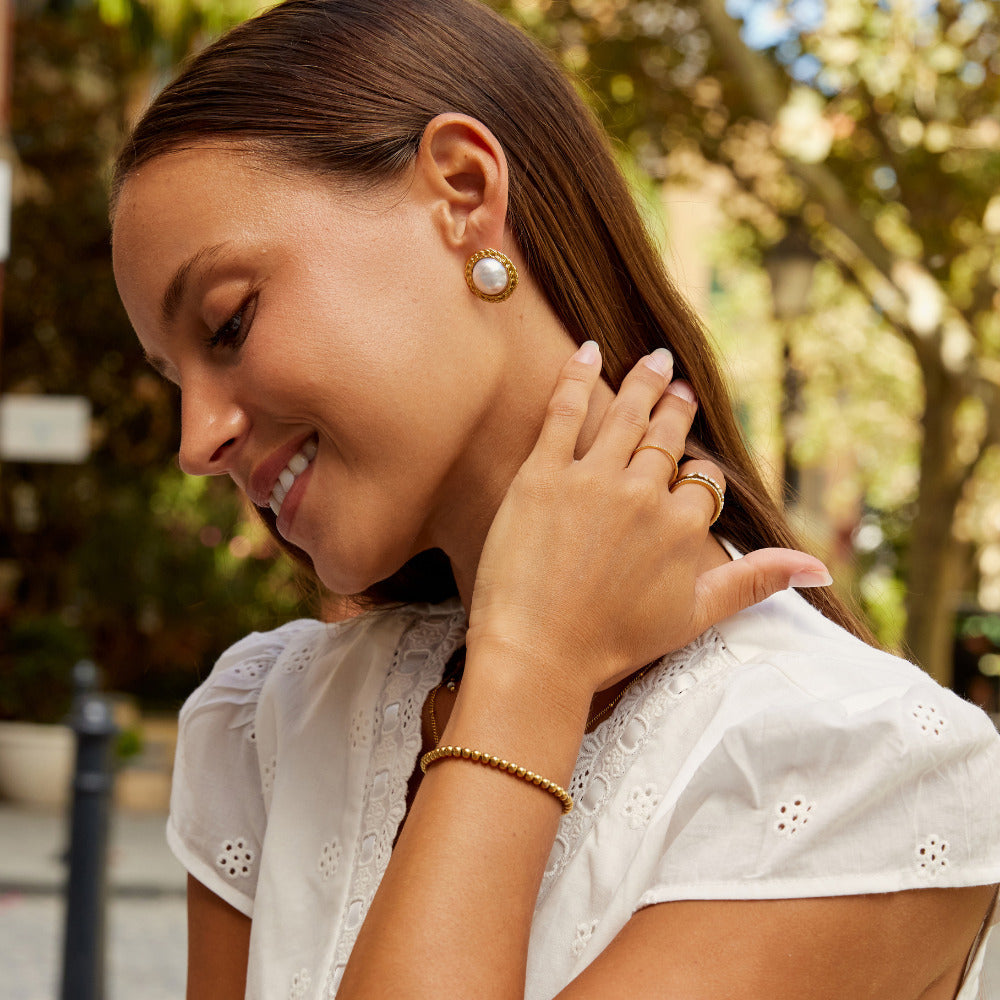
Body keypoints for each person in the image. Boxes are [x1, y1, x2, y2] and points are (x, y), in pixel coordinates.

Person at [109, 1, 1000, 996]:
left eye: (228, 324)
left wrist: (528, 673)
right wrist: (524, 667)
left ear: (462, 190)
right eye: (169, 377)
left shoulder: (855, 768)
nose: (198, 441)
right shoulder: (264, 726)